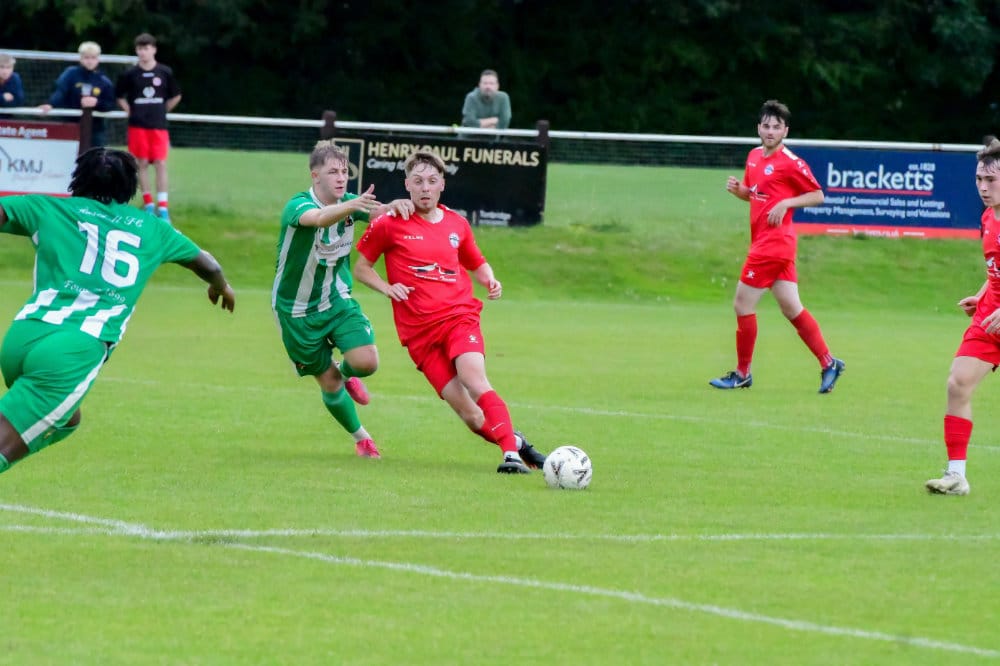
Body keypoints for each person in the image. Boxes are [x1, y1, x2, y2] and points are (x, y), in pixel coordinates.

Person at [0, 147, 236, 475]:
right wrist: (221, 286)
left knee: (67, 419)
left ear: (78, 178)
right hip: (74, 348)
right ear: (131, 186)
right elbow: (208, 263)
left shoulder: (47, 207)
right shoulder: (152, 227)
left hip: (23, 336)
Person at [354, 150, 547, 474]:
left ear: (442, 184)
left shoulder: (457, 223)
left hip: (459, 317)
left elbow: (476, 262)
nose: (425, 188)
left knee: (474, 378)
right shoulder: (390, 223)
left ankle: (510, 457)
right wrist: (387, 288)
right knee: (471, 416)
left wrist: (490, 280)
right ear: (407, 185)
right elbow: (361, 268)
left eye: (431, 181)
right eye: (418, 181)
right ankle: (517, 443)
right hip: (419, 335)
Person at [273, 140, 413, 459]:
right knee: (330, 383)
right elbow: (319, 218)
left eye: (345, 173)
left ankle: (345, 370)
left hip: (336, 299)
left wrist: (397, 205)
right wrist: (353, 205)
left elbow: (377, 211)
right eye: (332, 172)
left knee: (367, 362)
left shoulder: (349, 202)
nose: (340, 178)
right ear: (314, 176)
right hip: (296, 312)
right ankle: (362, 439)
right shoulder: (297, 205)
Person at [709, 99, 845, 394]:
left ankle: (743, 373)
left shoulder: (790, 163)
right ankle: (828, 362)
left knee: (742, 304)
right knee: (792, 308)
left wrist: (787, 202)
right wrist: (740, 192)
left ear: (785, 131)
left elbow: (818, 195)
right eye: (766, 126)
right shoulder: (754, 156)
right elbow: (756, 195)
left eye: (776, 127)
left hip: (774, 243)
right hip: (768, 243)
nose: (770, 131)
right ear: (759, 128)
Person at [925, 137, 1000, 496]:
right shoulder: (988, 218)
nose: (983, 188)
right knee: (958, 384)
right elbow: (995, 270)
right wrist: (983, 294)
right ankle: (956, 476)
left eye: (991, 180)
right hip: (990, 320)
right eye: (979, 180)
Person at [115, 33, 181, 222]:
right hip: (137, 126)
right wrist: (129, 110)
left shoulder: (164, 72)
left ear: (154, 49)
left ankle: (163, 208)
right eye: (140, 49)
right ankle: (149, 205)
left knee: (160, 163)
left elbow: (176, 95)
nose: (143, 52)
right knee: (141, 163)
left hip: (158, 126)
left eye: (147, 48)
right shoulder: (130, 74)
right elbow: (119, 96)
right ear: (136, 51)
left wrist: (162, 110)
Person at [39, 41, 117, 148]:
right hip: (71, 125)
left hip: (95, 129)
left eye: (93, 58)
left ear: (98, 59)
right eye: (86, 57)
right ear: (80, 58)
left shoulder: (104, 81)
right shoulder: (70, 74)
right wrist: (50, 104)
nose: (90, 61)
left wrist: (96, 103)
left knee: (95, 159)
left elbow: (110, 104)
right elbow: (60, 92)